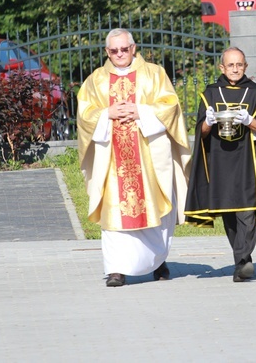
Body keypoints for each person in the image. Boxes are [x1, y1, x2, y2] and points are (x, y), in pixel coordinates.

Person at [77, 28, 191, 287]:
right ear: (107, 52)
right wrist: (107, 113)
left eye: (124, 49)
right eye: (114, 50)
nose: (119, 54)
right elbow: (84, 114)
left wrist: (140, 111)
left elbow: (171, 105)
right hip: (112, 160)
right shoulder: (96, 80)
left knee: (156, 207)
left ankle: (157, 259)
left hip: (148, 156)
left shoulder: (154, 73)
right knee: (113, 211)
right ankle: (116, 269)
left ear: (133, 48)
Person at [185, 47, 256, 282]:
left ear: (245, 67)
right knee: (229, 213)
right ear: (222, 68)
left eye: (239, 65)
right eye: (230, 65)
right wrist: (208, 121)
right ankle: (240, 260)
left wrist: (251, 121)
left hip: (248, 162)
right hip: (220, 162)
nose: (235, 69)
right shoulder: (211, 94)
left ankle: (244, 260)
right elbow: (201, 133)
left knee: (247, 211)